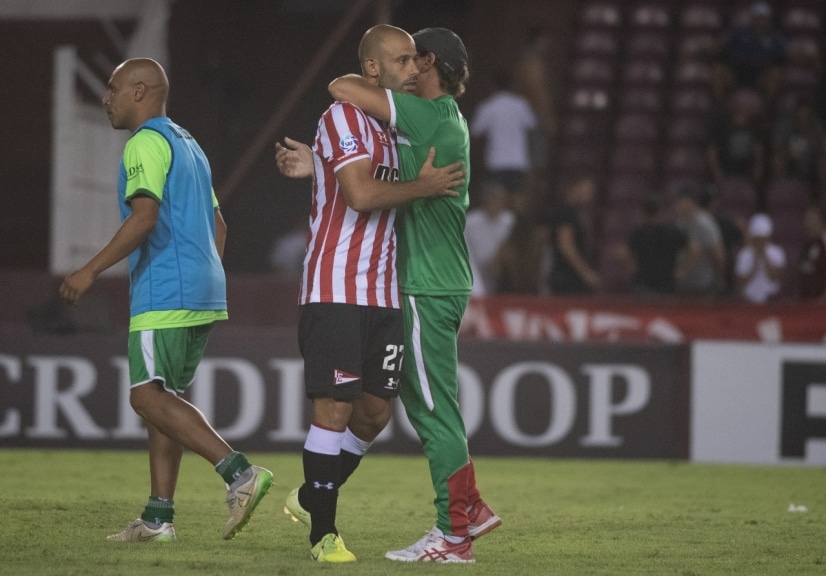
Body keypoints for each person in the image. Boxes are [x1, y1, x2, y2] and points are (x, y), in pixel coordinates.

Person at [59, 58, 272, 543]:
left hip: (166, 289)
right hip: (202, 288)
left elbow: (144, 218)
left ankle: (240, 473)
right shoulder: (188, 143)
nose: (106, 98)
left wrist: (89, 270)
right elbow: (219, 225)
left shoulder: (145, 143)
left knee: (144, 397)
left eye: (112, 88)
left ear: (139, 91)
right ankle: (158, 519)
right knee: (163, 402)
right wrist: (205, 273)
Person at [274, 24, 465, 563]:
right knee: (334, 407)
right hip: (335, 285)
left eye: (415, 61)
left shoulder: (391, 129)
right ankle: (323, 535)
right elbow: (358, 194)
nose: (412, 71)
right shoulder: (343, 116)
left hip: (383, 292)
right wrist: (423, 188)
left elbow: (347, 173)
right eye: (402, 62)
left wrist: (314, 165)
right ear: (374, 70)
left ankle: (314, 493)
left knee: (375, 412)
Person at [328, 27, 501, 563]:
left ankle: (453, 538)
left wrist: (380, 73)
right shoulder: (443, 119)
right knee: (431, 404)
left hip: (427, 286)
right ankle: (469, 507)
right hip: (435, 281)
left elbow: (341, 87)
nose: (406, 71)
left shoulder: (428, 115)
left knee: (432, 411)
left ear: (428, 63)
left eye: (411, 61)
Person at [470, 69, 538, 195]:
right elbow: (533, 129)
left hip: (496, 161)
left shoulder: (488, 106)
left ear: (492, 86)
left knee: (496, 198)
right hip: (518, 161)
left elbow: (475, 134)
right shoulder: (521, 105)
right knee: (516, 199)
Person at [618, 195, 688, 297]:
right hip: (666, 282)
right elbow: (695, 249)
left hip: (643, 282)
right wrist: (683, 269)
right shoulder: (673, 231)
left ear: (643, 213)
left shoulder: (638, 232)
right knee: (664, 312)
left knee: (643, 312)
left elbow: (622, 253)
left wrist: (631, 268)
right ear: (661, 212)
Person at [673, 182, 727, 298]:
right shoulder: (679, 223)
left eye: (681, 202)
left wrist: (719, 280)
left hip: (703, 287)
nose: (678, 205)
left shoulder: (705, 223)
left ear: (691, 203)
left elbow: (718, 255)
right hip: (683, 286)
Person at [548, 176, 600, 295]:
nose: (590, 194)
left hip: (569, 277)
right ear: (574, 188)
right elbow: (566, 245)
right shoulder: (566, 212)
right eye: (586, 189)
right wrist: (585, 272)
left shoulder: (573, 213)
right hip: (566, 278)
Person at [464, 181, 515, 294]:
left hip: (501, 274)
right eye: (494, 200)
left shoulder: (510, 221)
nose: (497, 204)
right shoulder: (470, 222)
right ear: (486, 201)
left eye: (500, 200)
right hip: (476, 270)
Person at [735, 213, 786, 302]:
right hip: (748, 301)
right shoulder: (744, 254)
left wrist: (764, 256)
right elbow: (741, 282)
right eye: (758, 239)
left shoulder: (777, 252)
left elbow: (775, 277)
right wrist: (755, 260)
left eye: (763, 239)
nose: (760, 243)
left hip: (771, 301)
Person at [798, 205, 826, 301]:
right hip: (807, 303)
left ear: (821, 221)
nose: (808, 224)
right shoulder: (808, 245)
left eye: (812, 220)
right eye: (807, 220)